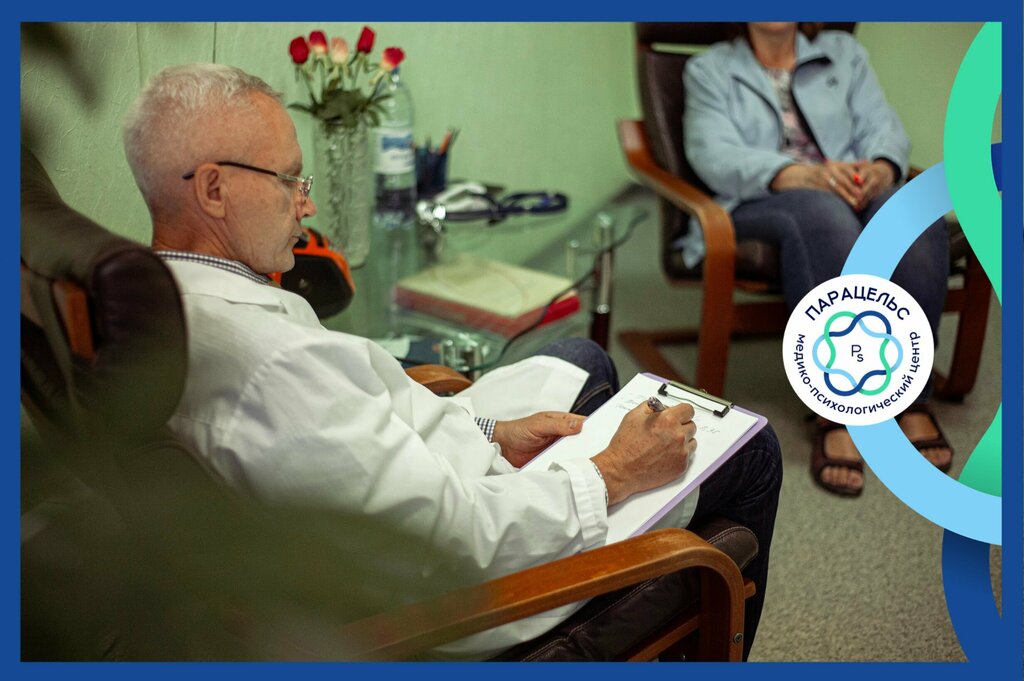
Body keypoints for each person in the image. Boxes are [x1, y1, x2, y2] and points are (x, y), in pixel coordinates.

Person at [122, 63, 782, 660]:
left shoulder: (169, 300)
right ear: (214, 190)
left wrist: (492, 432)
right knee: (751, 451)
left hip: (435, 482)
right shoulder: (271, 368)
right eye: (290, 179)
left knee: (583, 359)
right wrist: (615, 472)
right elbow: (448, 541)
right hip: (466, 594)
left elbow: (367, 428)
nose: (308, 203)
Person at [683, 22, 952, 497]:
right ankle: (836, 410)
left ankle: (910, 395)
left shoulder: (843, 53)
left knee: (911, 211)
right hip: (762, 196)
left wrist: (880, 167)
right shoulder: (710, 69)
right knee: (826, 218)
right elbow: (713, 154)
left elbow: (881, 125)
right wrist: (796, 174)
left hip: (851, 184)